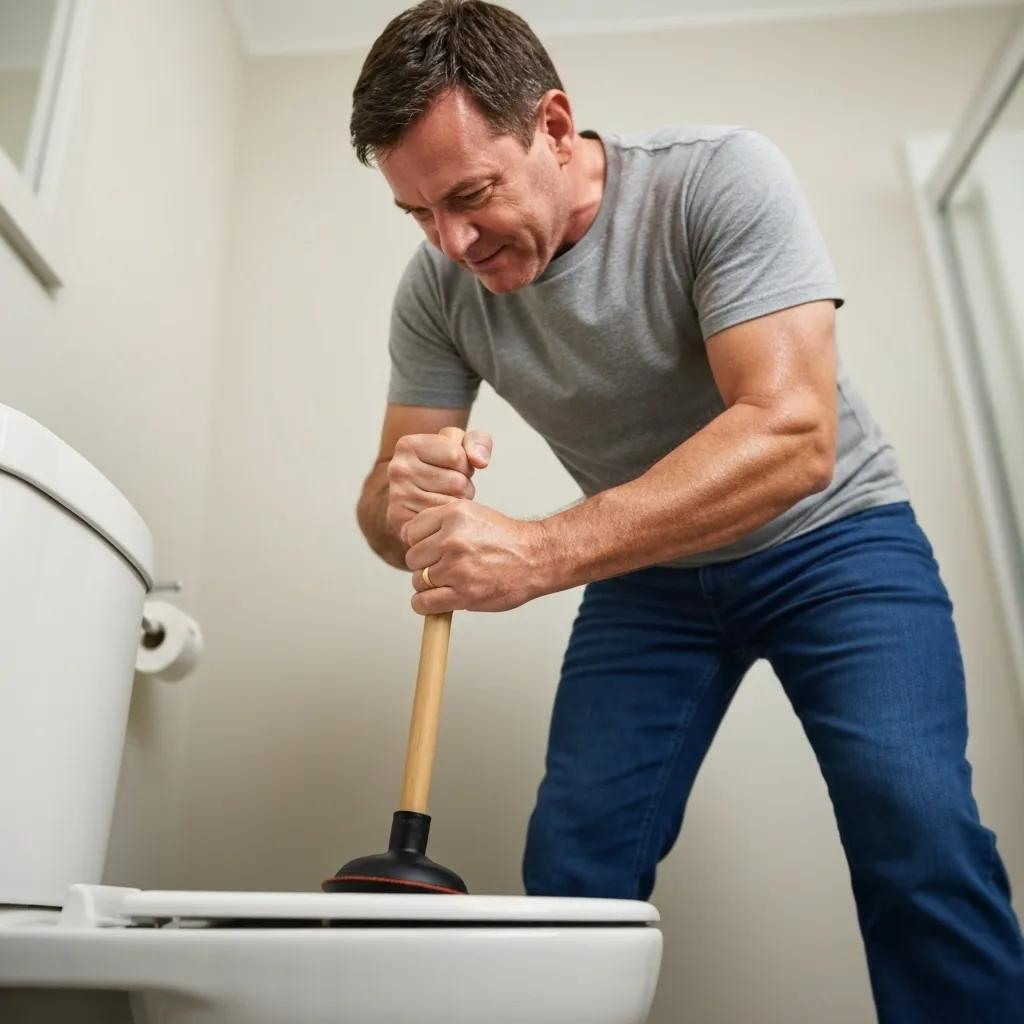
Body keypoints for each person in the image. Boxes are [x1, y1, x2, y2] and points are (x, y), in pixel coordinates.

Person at [350, 1, 1024, 1019]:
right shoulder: (437, 290)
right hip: (650, 582)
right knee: (575, 857)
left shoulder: (715, 178)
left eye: (470, 195)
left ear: (556, 126)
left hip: (835, 543)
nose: (451, 240)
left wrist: (540, 552)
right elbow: (382, 508)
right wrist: (404, 499)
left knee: (913, 825)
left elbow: (793, 436)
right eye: (417, 215)